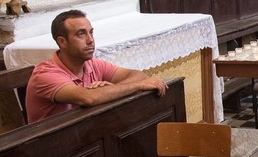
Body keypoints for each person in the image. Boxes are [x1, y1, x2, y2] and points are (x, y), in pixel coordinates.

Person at [25, 10, 168, 123]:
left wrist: (110, 89)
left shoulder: (91, 64)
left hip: (86, 135)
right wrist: (138, 86)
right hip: (52, 145)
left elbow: (138, 75)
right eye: (81, 34)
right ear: (62, 42)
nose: (90, 40)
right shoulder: (45, 74)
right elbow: (88, 98)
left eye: (91, 32)